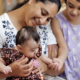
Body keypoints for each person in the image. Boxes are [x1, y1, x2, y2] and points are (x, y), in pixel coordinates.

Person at [0, 0, 62, 79]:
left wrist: (45, 67)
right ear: (32, 1)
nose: (43, 21)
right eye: (43, 13)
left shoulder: (45, 27)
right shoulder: (1, 26)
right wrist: (11, 71)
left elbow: (59, 69)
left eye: (48, 19)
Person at [51, 0, 80, 80]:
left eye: (79, 8)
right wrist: (60, 60)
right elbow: (63, 47)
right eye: (70, 6)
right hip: (68, 67)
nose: (74, 12)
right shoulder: (57, 20)